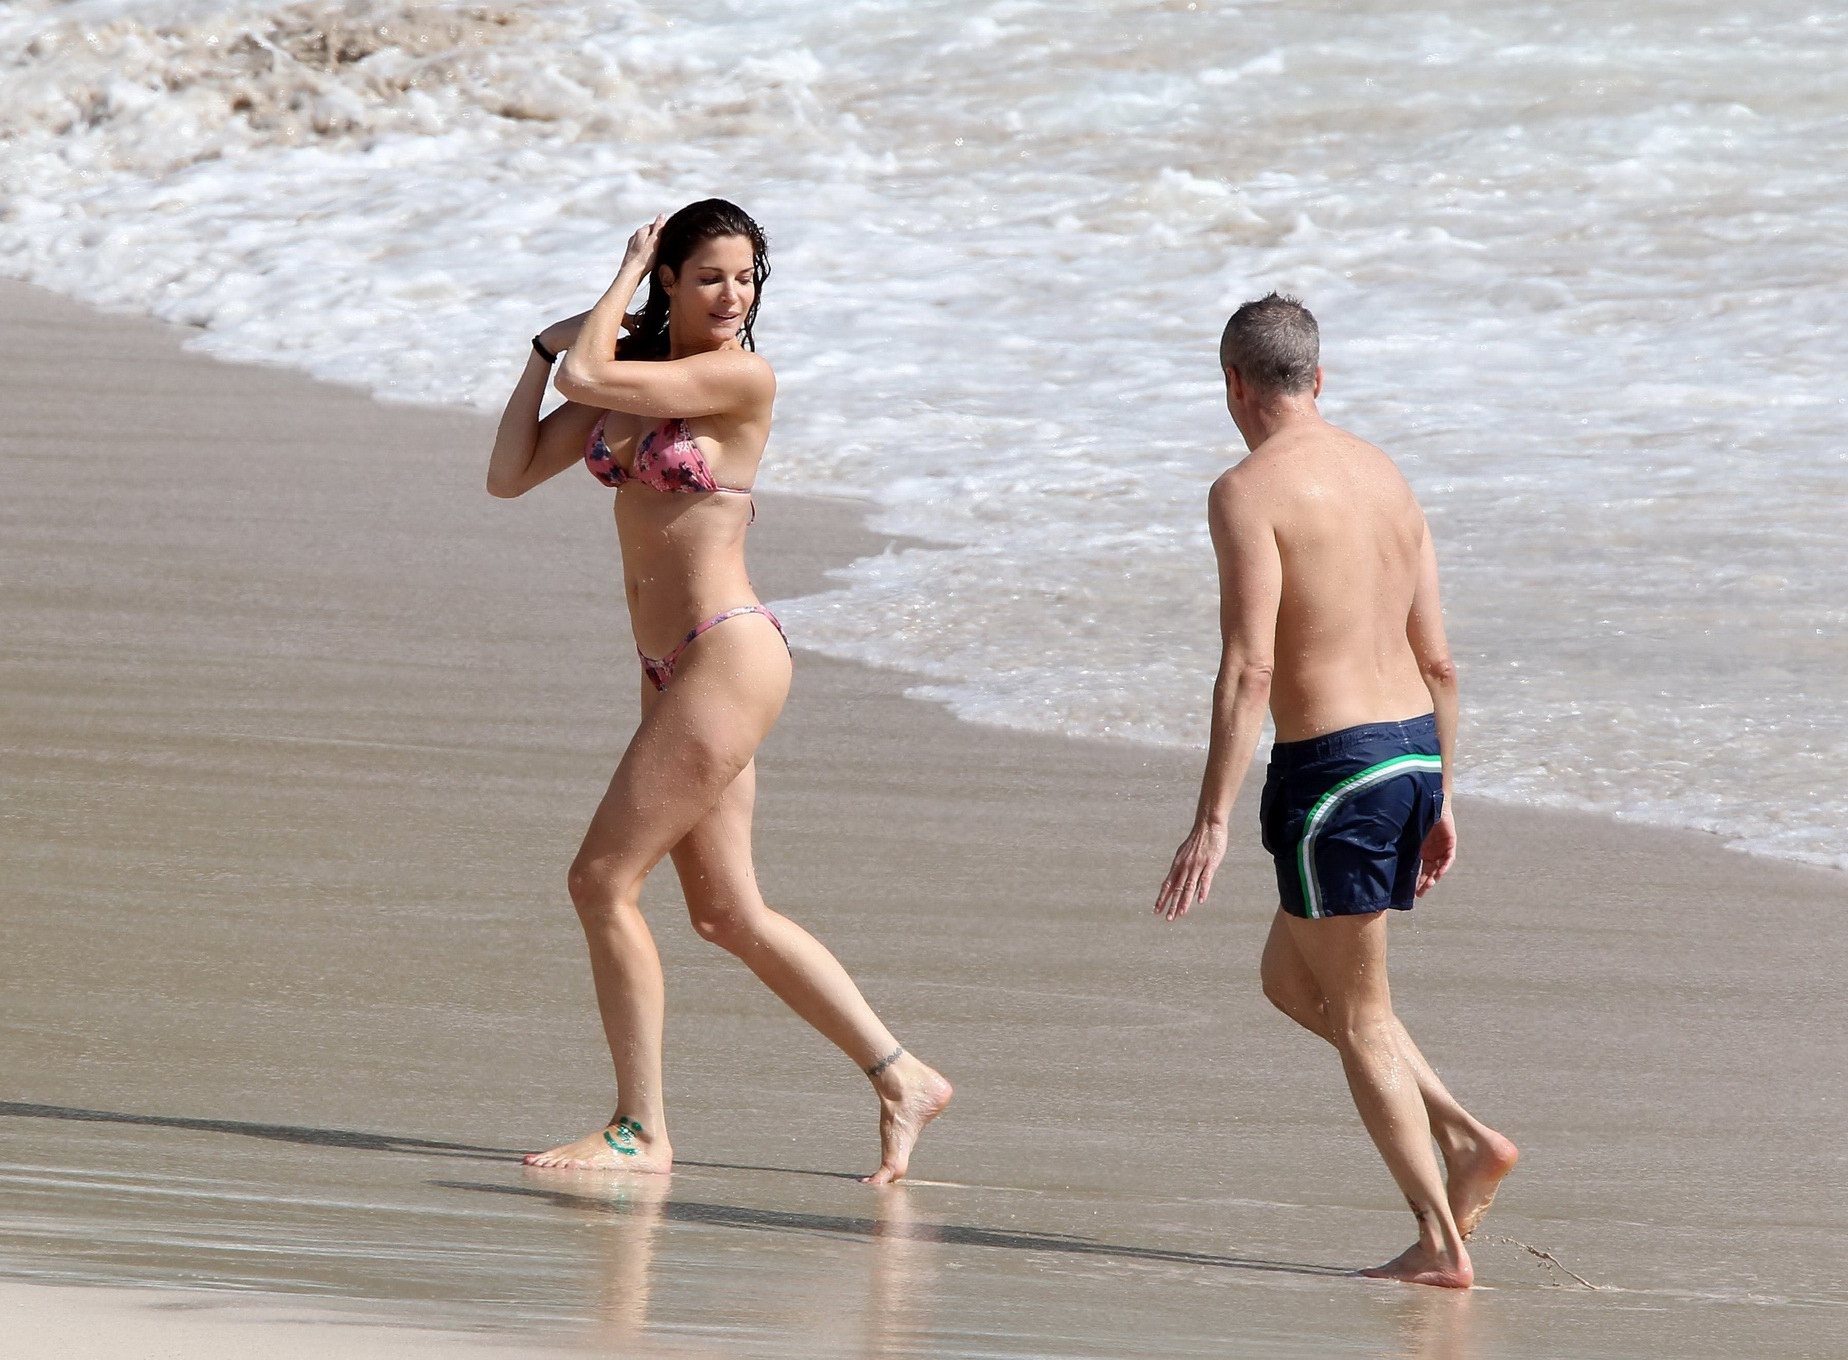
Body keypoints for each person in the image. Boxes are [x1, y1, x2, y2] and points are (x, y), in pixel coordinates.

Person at [485, 199, 951, 1183]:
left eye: (746, 277)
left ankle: (640, 1130)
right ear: (673, 284)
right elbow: (510, 471)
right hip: (668, 672)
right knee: (727, 912)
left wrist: (609, 291)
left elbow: (590, 366)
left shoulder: (740, 377)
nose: (734, 294)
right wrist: (538, 347)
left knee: (600, 880)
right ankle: (903, 1075)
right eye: (709, 277)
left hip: (724, 653)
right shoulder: (638, 386)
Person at [1155, 294, 1516, 1288]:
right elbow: (1440, 660)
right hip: (1407, 754)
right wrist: (1442, 795)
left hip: (1332, 777)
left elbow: (1248, 671)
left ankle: (1442, 1245)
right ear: (1319, 378)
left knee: (1359, 1016)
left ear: (1233, 383)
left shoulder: (1245, 492)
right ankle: (1467, 1134)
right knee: (1291, 980)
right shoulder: (1387, 475)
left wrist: (1213, 818)